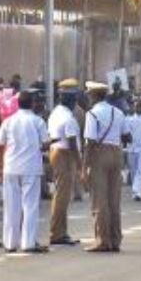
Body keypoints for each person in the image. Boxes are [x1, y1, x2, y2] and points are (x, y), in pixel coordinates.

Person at [0, 90, 48, 254]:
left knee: (11, 206)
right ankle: (28, 243)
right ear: (32, 103)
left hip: (11, 167)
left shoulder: (8, 121)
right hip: (31, 168)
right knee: (30, 206)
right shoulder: (38, 121)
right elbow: (45, 144)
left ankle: (10, 243)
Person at [81, 81, 130, 252]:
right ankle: (115, 239)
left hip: (99, 155)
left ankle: (103, 239)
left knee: (99, 199)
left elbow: (90, 142)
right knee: (113, 199)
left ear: (93, 95)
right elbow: (127, 136)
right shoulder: (118, 112)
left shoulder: (92, 114)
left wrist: (84, 167)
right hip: (116, 153)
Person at [46, 80, 81, 246]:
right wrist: (80, 164)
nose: (75, 103)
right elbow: (72, 143)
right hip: (64, 155)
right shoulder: (68, 117)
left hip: (57, 152)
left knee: (61, 195)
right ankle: (57, 233)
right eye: (74, 99)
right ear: (69, 100)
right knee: (62, 196)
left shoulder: (56, 112)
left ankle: (60, 231)